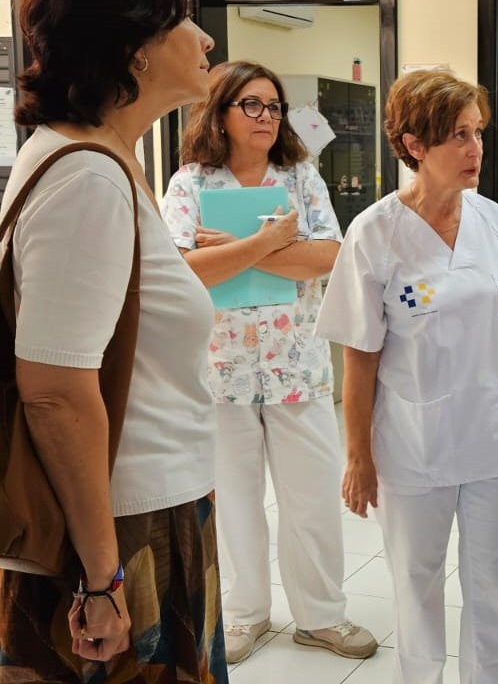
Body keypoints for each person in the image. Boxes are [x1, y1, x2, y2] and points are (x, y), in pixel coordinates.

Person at [0, 0, 225, 681]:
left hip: (147, 504)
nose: (205, 39)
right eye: (183, 20)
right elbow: (56, 391)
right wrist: (103, 578)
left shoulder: (109, 160)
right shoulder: (87, 178)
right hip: (124, 523)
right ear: (130, 48)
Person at [314, 69, 498, 684]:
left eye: (477, 132)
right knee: (415, 583)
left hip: (493, 435)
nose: (475, 149)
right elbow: (360, 353)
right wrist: (357, 455)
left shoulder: (491, 218)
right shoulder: (376, 232)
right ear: (413, 145)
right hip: (412, 442)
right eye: (456, 135)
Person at [161, 61, 377, 663]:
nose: (266, 117)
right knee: (233, 502)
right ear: (220, 112)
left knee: (309, 498)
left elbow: (327, 256)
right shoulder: (189, 184)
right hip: (219, 369)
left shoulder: (301, 178)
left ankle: (321, 616)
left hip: (297, 364)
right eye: (251, 105)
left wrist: (233, 251)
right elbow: (183, 270)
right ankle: (243, 616)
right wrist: (267, 244)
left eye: (274, 106)